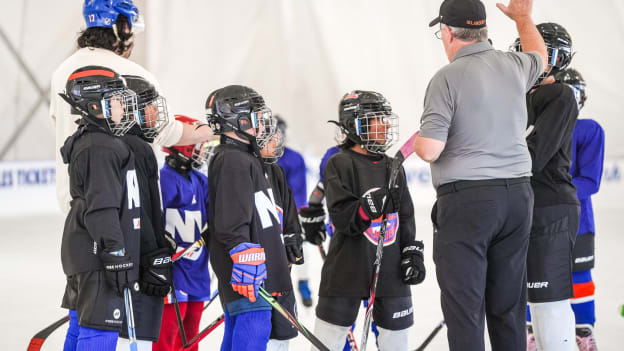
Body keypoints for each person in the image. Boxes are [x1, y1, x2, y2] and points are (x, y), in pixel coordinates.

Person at [413, 0, 548, 350]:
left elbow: (430, 149)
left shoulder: (446, 78)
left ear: (446, 32)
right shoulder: (515, 64)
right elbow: (540, 58)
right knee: (507, 309)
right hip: (517, 198)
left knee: (465, 311)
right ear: (483, 29)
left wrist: (417, 142)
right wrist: (523, 19)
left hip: (468, 204)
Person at [50, 0, 213, 215]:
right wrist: (213, 129)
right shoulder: (139, 75)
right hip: (128, 205)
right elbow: (168, 132)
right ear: (122, 28)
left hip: (75, 205)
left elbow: (58, 123)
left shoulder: (61, 72)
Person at [313, 90, 423, 351]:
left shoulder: (392, 166)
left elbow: (405, 216)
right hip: (346, 269)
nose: (385, 125)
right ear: (356, 124)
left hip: (391, 270)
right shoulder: (339, 163)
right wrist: (370, 206)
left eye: (386, 119)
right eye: (378, 119)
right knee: (328, 339)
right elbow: (342, 218)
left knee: (396, 340)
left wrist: (411, 252)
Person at [59, 66, 141, 351]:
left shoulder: (95, 141)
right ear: (95, 105)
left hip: (84, 248)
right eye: (117, 100)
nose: (124, 106)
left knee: (82, 325)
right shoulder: (101, 147)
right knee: (99, 330)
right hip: (97, 252)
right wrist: (115, 252)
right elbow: (102, 207)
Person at [205, 85, 293, 350]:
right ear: (238, 120)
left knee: (243, 325)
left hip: (257, 264)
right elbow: (231, 216)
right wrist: (243, 250)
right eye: (256, 117)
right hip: (247, 266)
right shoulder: (232, 158)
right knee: (255, 323)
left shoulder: (247, 158)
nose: (263, 123)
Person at [513, 22, 580, 351]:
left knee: (548, 303)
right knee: (535, 304)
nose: (538, 59)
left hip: (550, 207)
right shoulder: (516, 96)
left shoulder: (560, 95)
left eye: (547, 53)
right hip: (523, 207)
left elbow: (535, 155)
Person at [155, 115, 214, 351]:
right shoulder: (163, 179)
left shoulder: (200, 180)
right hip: (173, 272)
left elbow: (218, 215)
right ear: (184, 146)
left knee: (191, 338)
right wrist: (160, 239)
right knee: (167, 337)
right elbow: (151, 217)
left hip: (197, 269)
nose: (203, 151)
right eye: (198, 145)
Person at [555, 68, 604, 351]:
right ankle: (531, 331)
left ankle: (583, 331)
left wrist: (553, 193)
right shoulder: (532, 128)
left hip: (578, 222)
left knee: (579, 276)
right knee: (531, 275)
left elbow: (590, 181)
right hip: (537, 220)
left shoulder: (588, 130)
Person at [260, 128, 305, 350]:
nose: (276, 142)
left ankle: (303, 284)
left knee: (283, 332)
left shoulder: (276, 171)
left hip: (281, 274)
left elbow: (289, 210)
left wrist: (292, 236)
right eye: (269, 138)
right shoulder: (245, 172)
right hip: (258, 273)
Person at [273, 116, 314, 307]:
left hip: (289, 212)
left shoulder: (293, 158)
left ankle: (303, 281)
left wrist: (294, 219)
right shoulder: (258, 157)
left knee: (300, 245)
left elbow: (297, 192)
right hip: (268, 213)